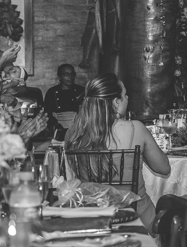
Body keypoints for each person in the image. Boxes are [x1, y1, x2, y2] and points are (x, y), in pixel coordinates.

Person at [64, 74, 170, 227]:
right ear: (115, 102)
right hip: (135, 215)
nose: (127, 98)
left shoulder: (73, 133)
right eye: (125, 95)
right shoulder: (136, 128)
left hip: (91, 217)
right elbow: (164, 168)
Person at [44, 64, 85, 133]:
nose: (70, 77)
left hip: (78, 128)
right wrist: (55, 125)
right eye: (66, 74)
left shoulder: (82, 91)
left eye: (72, 74)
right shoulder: (52, 92)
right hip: (58, 129)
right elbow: (47, 113)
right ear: (59, 77)